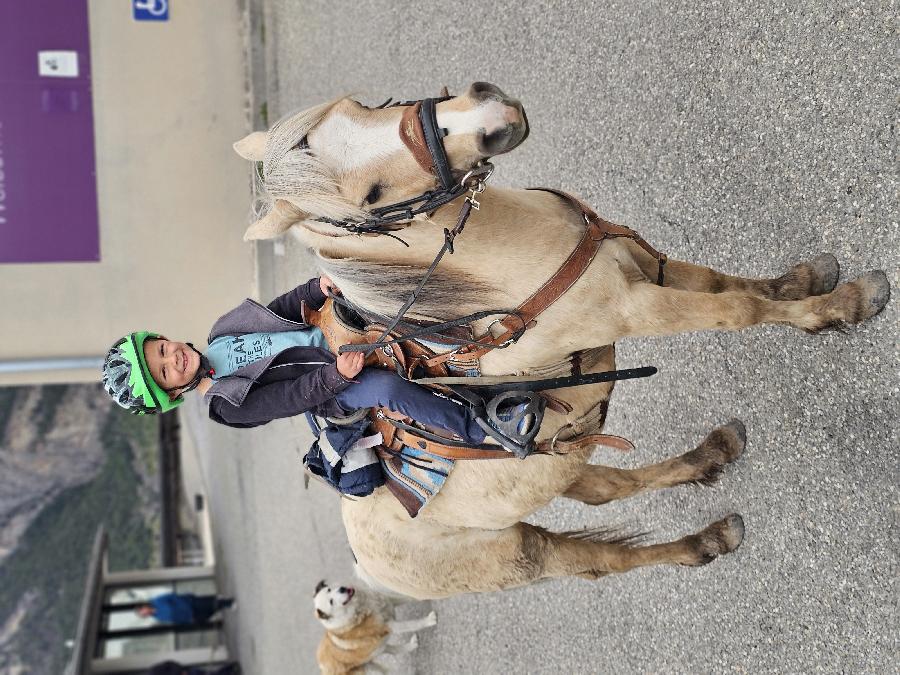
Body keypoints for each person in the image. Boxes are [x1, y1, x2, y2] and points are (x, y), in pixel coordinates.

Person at [101, 276, 535, 452]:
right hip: (329, 386)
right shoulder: (224, 404)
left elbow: (279, 310)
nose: (172, 357)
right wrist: (335, 376)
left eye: (162, 349)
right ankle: (480, 427)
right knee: (386, 388)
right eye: (164, 371)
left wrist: (315, 288)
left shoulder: (221, 331)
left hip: (328, 329)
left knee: (378, 288)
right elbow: (290, 397)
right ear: (172, 393)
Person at [135, 592, 235, 626]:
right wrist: (188, 620)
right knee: (207, 615)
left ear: (144, 607)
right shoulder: (157, 617)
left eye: (143, 611)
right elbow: (173, 619)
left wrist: (184, 604)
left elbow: (172, 596)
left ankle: (229, 603)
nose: (145, 613)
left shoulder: (156, 601)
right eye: (143, 615)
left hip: (188, 603)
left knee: (207, 604)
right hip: (189, 616)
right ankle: (219, 601)